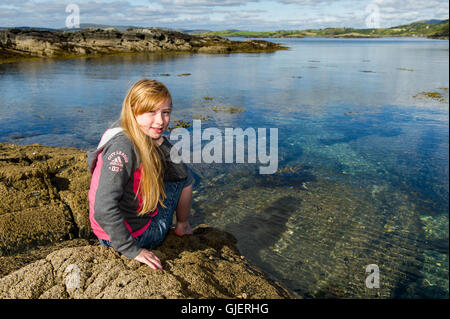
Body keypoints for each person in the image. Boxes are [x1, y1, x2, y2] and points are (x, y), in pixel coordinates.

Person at [87, 79, 194, 270]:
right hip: (134, 237)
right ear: (133, 111)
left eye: (166, 112)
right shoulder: (124, 147)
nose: (160, 121)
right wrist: (132, 249)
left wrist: (160, 141)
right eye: (151, 112)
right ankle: (183, 226)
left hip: (108, 232)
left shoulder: (119, 133)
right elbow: (103, 207)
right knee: (187, 177)